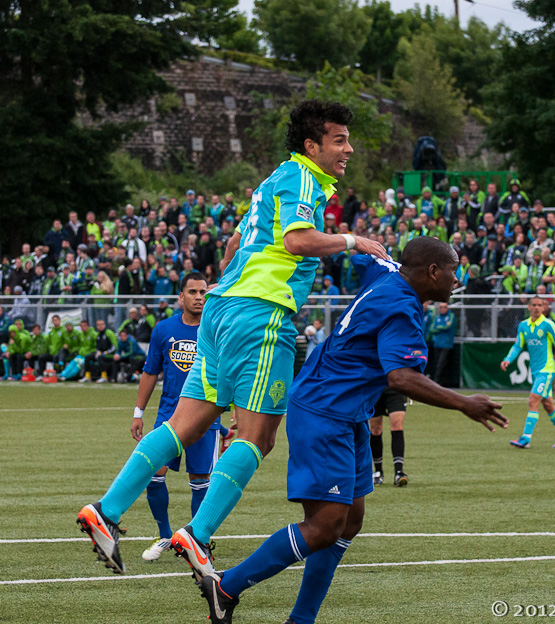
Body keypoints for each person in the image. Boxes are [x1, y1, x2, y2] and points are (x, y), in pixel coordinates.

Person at [77, 100, 388, 577]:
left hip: (221, 310)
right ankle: (197, 535)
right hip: (260, 314)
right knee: (257, 436)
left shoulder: (274, 181)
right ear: (312, 146)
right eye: (339, 140)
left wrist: (234, 287)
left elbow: (231, 247)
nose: (349, 149)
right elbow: (297, 241)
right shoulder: (303, 179)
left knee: (183, 426)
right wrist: (354, 241)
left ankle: (107, 509)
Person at [197, 237, 506, 624]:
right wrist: (464, 403)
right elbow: (401, 377)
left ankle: (301, 619)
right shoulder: (402, 309)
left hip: (347, 411)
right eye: (453, 270)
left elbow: (368, 260)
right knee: (324, 526)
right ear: (432, 272)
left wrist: (362, 244)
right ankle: (226, 586)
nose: (457, 279)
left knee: (351, 520)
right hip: (325, 410)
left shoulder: (389, 272)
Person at [127, 273, 229, 561]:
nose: (199, 297)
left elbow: (229, 372)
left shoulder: (217, 328)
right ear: (181, 296)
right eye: (193, 292)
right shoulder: (164, 329)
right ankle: (164, 535)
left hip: (205, 416)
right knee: (153, 474)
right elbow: (150, 371)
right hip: (169, 415)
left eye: (203, 292)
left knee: (200, 481)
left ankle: (198, 541)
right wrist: (138, 412)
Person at [500, 296, 555, 449]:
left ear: (543, 308)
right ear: (529, 307)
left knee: (533, 400)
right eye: (533, 305)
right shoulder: (523, 326)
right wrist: (508, 359)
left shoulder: (548, 325)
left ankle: (526, 438)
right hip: (535, 371)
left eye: (539, 305)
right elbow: (518, 345)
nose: (536, 308)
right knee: (548, 404)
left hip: (546, 370)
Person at [369, 388, 409, 487]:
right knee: (375, 430)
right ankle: (378, 471)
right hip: (374, 389)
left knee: (397, 426)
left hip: (395, 388)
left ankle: (399, 472)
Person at [427, 301, 456, 383]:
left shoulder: (451, 316)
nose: (442, 309)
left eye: (444, 307)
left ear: (447, 308)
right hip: (437, 344)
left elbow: (448, 326)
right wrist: (441, 328)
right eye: (441, 307)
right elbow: (432, 329)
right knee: (436, 363)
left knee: (441, 363)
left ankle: (437, 381)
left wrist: (438, 327)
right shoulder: (437, 318)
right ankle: (436, 381)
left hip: (446, 344)